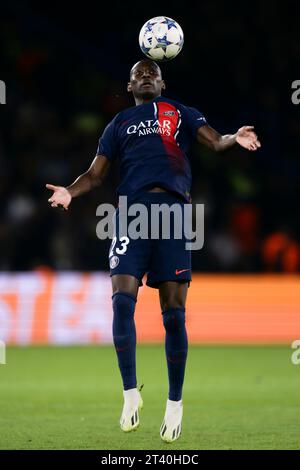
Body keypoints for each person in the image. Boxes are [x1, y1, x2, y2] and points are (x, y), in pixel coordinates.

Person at [46, 58, 261, 442]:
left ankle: (175, 404)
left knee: (174, 316)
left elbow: (213, 141)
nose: (145, 77)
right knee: (122, 300)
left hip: (175, 215)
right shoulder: (118, 125)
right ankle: (130, 394)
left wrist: (233, 137)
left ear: (162, 83)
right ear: (129, 87)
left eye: (152, 73)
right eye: (138, 74)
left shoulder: (180, 112)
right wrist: (68, 191)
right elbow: (95, 175)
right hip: (130, 214)